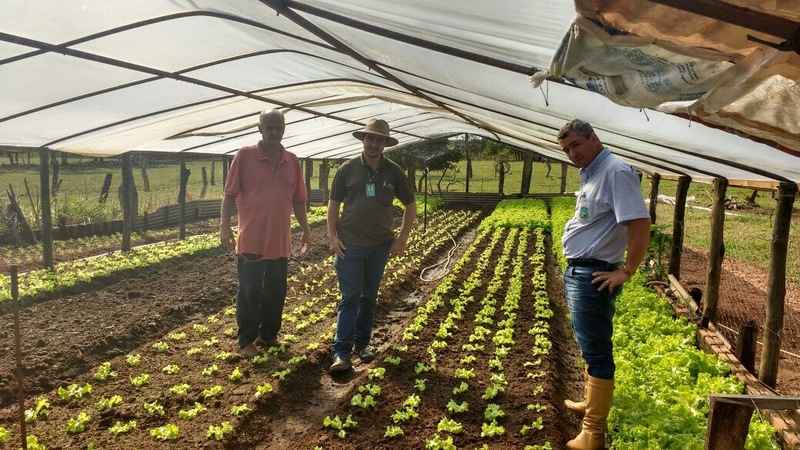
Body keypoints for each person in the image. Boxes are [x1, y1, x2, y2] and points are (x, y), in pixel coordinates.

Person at [558, 119, 650, 449]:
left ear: (593, 138)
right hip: (581, 272)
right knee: (588, 341)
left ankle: (593, 432)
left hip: (594, 274)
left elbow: (639, 223)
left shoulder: (615, 171)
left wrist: (627, 270)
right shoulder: (593, 172)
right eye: (566, 150)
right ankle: (590, 401)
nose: (572, 154)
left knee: (597, 349)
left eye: (576, 145)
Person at [327, 118, 417, 373]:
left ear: (385, 143)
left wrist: (402, 238)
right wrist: (332, 237)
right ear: (363, 139)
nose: (374, 144)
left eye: (379, 140)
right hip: (350, 244)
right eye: (370, 138)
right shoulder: (347, 169)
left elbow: (410, 206)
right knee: (350, 297)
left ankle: (363, 344)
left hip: (379, 246)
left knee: (369, 297)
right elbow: (333, 205)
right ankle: (341, 353)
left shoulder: (394, 171)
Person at [220, 109, 311, 358]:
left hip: (279, 241)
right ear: (259, 128)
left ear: (284, 129)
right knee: (250, 291)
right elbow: (229, 195)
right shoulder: (245, 156)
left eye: (278, 127)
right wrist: (224, 226)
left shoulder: (292, 161)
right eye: (269, 127)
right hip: (251, 238)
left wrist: (305, 229)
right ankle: (246, 340)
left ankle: (268, 335)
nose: (274, 132)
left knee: (276, 290)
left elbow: (299, 200)